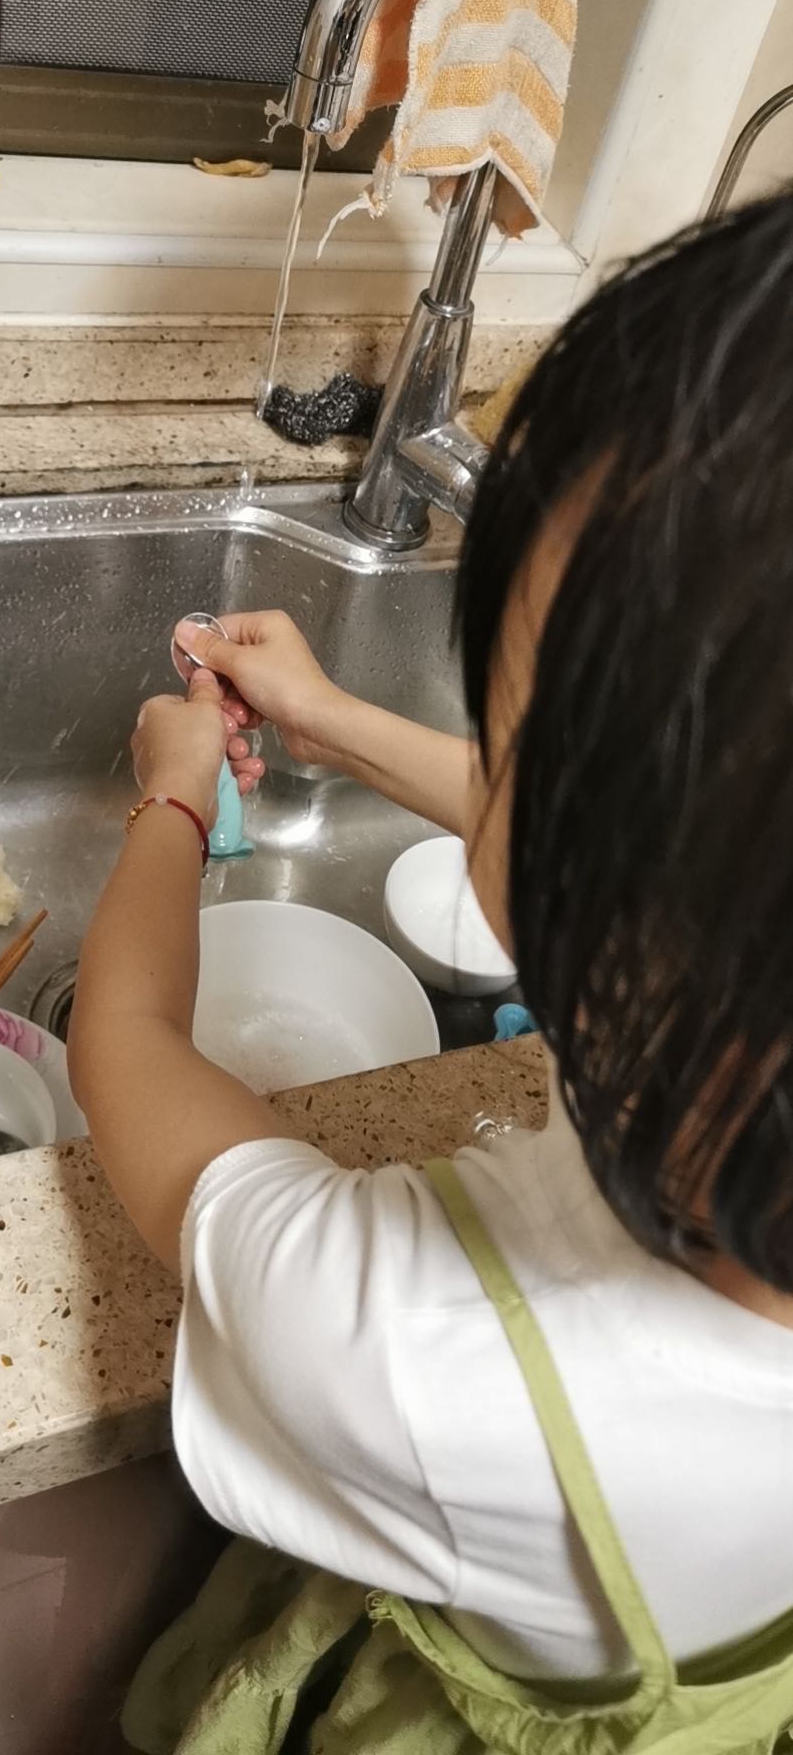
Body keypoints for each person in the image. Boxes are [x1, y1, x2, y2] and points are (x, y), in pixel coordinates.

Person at [68, 191, 793, 1754]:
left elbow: (124, 1043)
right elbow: (660, 866)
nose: (489, 774)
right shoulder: (738, 1040)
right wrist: (334, 726)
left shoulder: (430, 1365)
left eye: (510, 746)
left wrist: (173, 801)